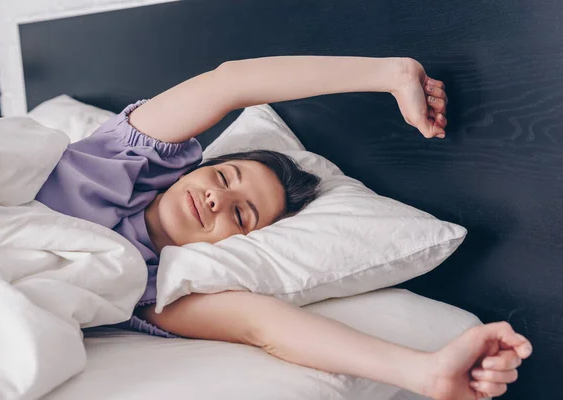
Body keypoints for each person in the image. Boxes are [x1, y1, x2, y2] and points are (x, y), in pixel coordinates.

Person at [35, 56, 532, 400]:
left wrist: (424, 373)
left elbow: (264, 325)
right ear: (192, 167)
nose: (217, 198)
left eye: (240, 214)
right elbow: (228, 82)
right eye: (225, 177)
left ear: (235, 245)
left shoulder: (148, 288)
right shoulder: (119, 158)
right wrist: (390, 75)